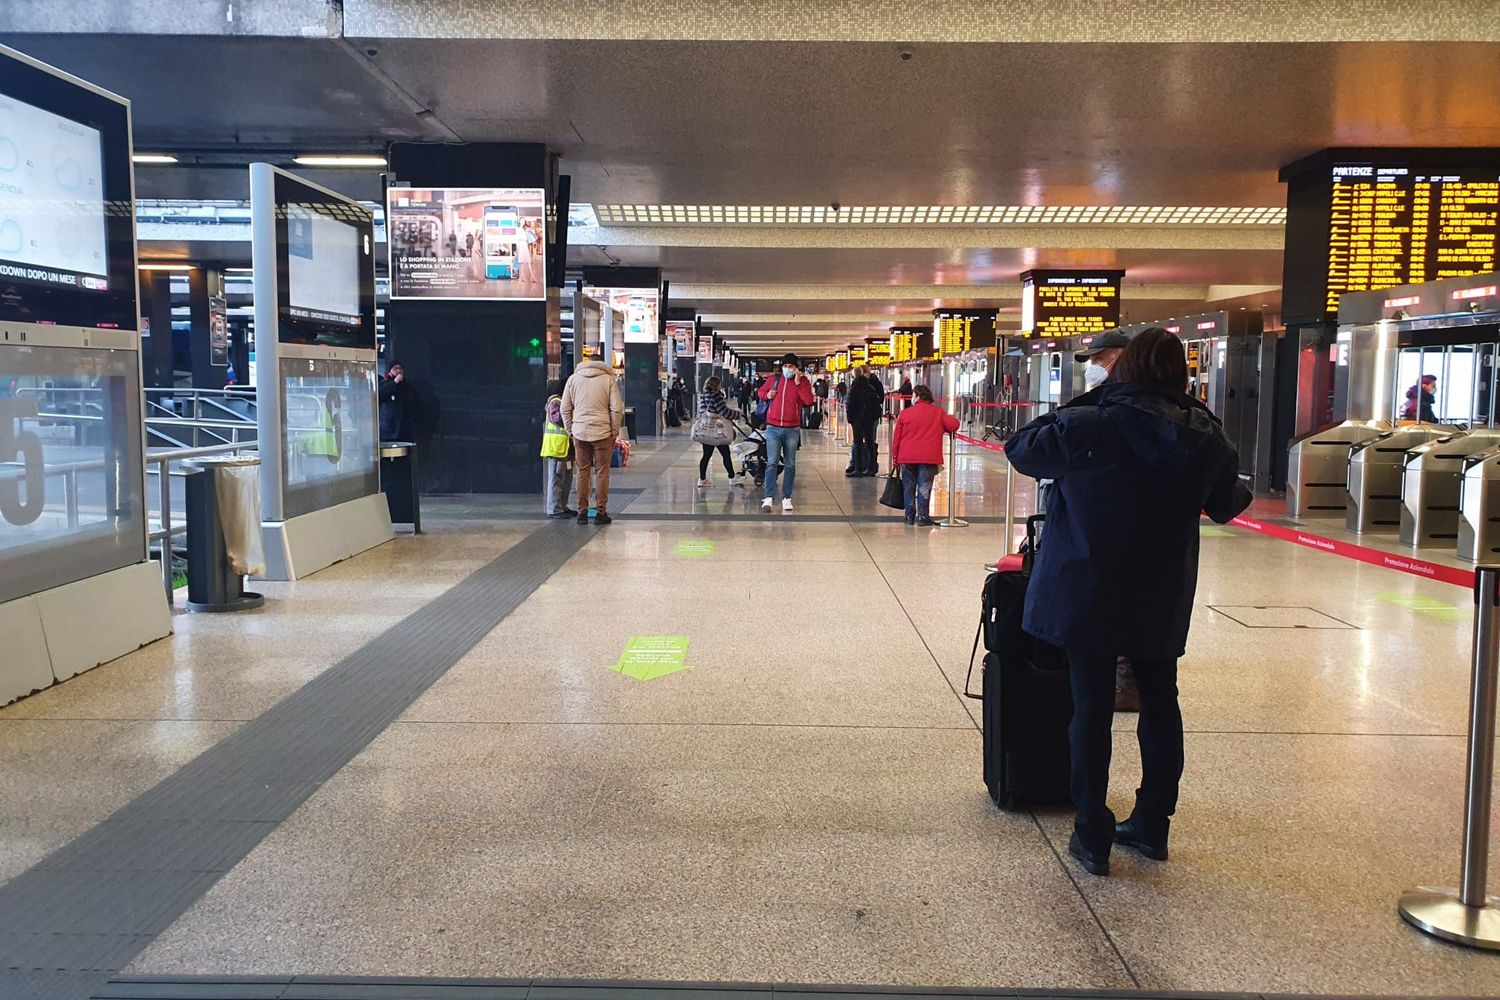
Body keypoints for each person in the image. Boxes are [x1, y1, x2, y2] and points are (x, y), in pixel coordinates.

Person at [1004, 328, 1251, 877]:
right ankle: (1153, 823)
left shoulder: (1090, 422)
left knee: (1090, 708)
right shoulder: (1203, 431)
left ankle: (1091, 832)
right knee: (1161, 702)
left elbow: (1021, 447)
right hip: (1160, 591)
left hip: (1087, 587)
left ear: (1121, 370)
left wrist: (1099, 398)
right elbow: (1229, 503)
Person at [560, 345, 625, 525]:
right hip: (603, 433)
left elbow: (565, 408)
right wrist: (614, 431)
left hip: (580, 433)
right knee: (602, 472)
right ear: (602, 365)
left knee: (582, 472)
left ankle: (582, 512)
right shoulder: (608, 380)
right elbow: (617, 409)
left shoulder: (573, 379)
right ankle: (600, 512)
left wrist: (571, 430)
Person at [890, 384, 958, 526]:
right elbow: (953, 425)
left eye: (913, 395)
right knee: (924, 487)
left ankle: (909, 516)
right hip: (928, 458)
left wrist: (895, 459)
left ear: (918, 396)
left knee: (908, 487)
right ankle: (923, 517)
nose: (912, 398)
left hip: (907, 457)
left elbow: (897, 439)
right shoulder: (938, 413)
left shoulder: (905, 413)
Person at [757, 352, 814, 512]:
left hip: (792, 429)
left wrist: (798, 384)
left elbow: (808, 400)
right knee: (772, 462)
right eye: (786, 366)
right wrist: (767, 395)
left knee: (790, 464)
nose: (788, 369)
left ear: (796, 368)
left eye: (791, 366)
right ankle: (768, 497)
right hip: (773, 427)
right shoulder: (774, 380)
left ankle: (786, 497)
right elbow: (760, 392)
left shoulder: (803, 382)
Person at [696, 376, 745, 488]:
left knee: (706, 456)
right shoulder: (716, 396)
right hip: (717, 431)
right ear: (717, 385)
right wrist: (738, 414)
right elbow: (724, 412)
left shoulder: (704, 396)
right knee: (726, 454)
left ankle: (702, 479)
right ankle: (732, 478)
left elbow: (703, 412)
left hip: (707, 430)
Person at [541, 390, 577, 519]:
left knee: (566, 480)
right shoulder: (556, 402)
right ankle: (554, 509)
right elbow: (558, 419)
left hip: (566, 447)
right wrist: (574, 415)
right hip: (556, 448)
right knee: (556, 479)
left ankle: (563, 506)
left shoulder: (566, 403)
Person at [845, 367, 882, 477]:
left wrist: (850, 419)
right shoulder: (870, 387)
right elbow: (876, 403)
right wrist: (874, 417)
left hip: (857, 420)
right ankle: (871, 468)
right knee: (870, 443)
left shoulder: (853, 388)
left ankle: (858, 469)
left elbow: (849, 405)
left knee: (858, 443)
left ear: (853, 376)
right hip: (869, 419)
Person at [378, 361, 411, 441]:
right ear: (390, 371)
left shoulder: (407, 386)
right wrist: (395, 382)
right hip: (388, 426)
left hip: (403, 426)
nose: (398, 371)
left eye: (400, 368)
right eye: (395, 369)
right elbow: (380, 394)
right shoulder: (384, 384)